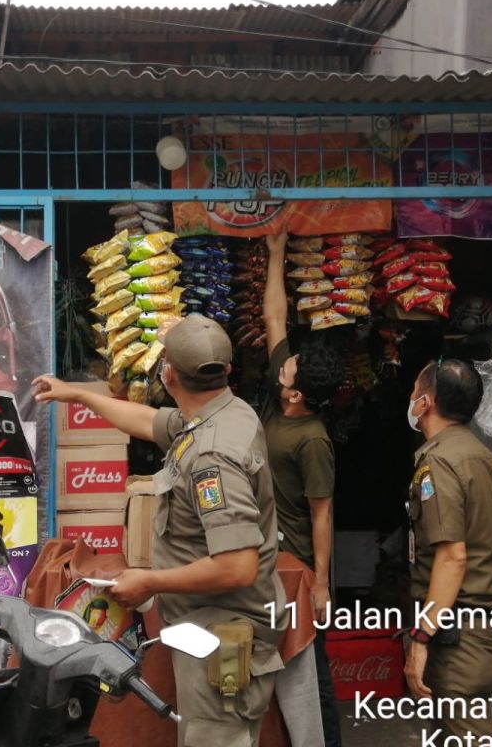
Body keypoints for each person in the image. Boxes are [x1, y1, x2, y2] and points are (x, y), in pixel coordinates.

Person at [33, 315, 286, 747]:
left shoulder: (212, 456)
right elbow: (147, 421)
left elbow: (238, 566)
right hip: (213, 626)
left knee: (216, 740)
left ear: (167, 374)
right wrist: (76, 394)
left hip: (224, 634)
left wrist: (150, 580)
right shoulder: (222, 413)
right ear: (226, 370)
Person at [262, 231, 346, 747]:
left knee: (307, 670)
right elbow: (275, 318)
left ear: (296, 392)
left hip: (293, 568)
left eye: (289, 366)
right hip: (265, 557)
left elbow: (322, 512)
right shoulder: (282, 399)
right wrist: (276, 253)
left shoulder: (313, 440)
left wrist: (320, 584)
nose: (284, 360)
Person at [403, 359, 492, 744]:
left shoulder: (440, 461)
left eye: (415, 391)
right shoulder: (483, 456)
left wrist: (420, 638)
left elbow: (453, 557)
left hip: (458, 635)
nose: (411, 399)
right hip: (481, 625)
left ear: (426, 402)